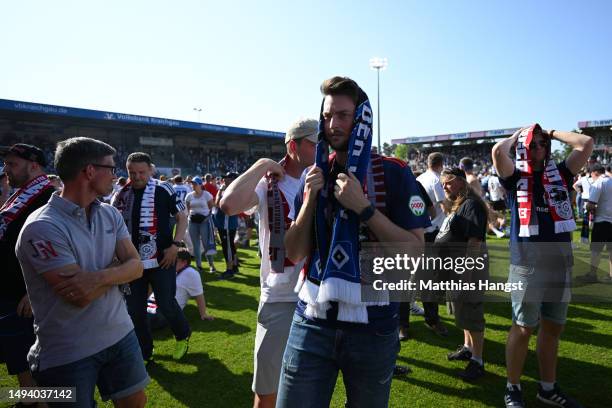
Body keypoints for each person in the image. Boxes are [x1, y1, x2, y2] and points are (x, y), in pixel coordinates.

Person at [277, 76, 429, 407]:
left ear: (361, 119)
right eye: (328, 115)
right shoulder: (314, 173)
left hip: (373, 322)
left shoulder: (394, 172)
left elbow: (416, 252)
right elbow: (293, 251)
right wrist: (309, 202)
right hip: (313, 318)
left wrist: (364, 209)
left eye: (343, 115)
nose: (333, 124)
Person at [15, 137, 148, 407]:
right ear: (89, 171)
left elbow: (137, 266)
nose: (116, 175)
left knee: (136, 403)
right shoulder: (42, 226)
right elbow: (79, 295)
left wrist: (96, 277)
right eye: (111, 168)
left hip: (120, 333)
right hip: (68, 350)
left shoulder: (109, 213)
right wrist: (116, 268)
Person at [492, 124, 593, 408]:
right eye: (531, 145)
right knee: (523, 327)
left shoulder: (560, 173)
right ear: (523, 148)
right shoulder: (515, 177)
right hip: (527, 265)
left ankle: (547, 388)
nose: (538, 150)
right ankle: (513, 387)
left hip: (559, 265)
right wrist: (519, 135)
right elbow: (498, 151)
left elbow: (585, 143)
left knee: (553, 328)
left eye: (541, 145)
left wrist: (550, 133)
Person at [220, 118, 317, 408]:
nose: (320, 148)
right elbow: (228, 204)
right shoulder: (269, 181)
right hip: (281, 296)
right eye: (314, 143)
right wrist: (262, 164)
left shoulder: (322, 176)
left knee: (307, 386)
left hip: (316, 296)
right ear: (293, 145)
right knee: (267, 388)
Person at [112, 152, 191, 362]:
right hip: (132, 263)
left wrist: (175, 245)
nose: (137, 176)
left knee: (166, 303)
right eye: (132, 172)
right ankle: (145, 352)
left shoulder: (163, 188)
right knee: (135, 310)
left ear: (151, 170)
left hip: (162, 259)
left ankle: (182, 335)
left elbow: (182, 219)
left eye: (141, 172)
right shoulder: (121, 194)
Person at [0, 144, 55, 396]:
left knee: (37, 357)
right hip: (9, 288)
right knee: (16, 351)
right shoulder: (20, 194)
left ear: (33, 165)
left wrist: (36, 292)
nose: (6, 169)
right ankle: (31, 400)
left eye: (12, 164)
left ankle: (44, 402)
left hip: (28, 294)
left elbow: (57, 250)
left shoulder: (49, 197)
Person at [436, 167, 489, 381]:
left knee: (472, 312)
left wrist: (466, 275)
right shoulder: (462, 203)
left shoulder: (472, 204)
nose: (444, 187)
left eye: (447, 183)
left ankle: (477, 361)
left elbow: (474, 243)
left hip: (468, 269)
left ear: (459, 181)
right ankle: (468, 347)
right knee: (463, 312)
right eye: (442, 184)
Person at [400, 152, 449, 340]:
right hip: (400, 243)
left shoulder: (416, 184)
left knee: (428, 281)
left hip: (423, 239)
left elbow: (429, 208)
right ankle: (402, 325)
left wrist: (417, 223)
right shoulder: (390, 188)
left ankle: (432, 319)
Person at [148, 247, 213, 328]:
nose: (169, 261)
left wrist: (203, 314)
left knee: (137, 320)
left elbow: (199, 295)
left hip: (163, 312)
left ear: (184, 262)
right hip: (151, 304)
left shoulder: (191, 273)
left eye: (174, 260)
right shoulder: (170, 270)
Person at [580, 164, 611, 283]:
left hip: (602, 221)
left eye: (590, 175)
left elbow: (591, 204)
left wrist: (588, 207)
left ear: (595, 173)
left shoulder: (599, 182)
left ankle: (592, 274)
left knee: (596, 250)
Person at [186, 176, 216, 273]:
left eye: (195, 184)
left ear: (200, 185)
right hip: (193, 221)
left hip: (204, 221)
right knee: (196, 245)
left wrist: (205, 216)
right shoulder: (189, 196)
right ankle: (199, 266)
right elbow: (188, 209)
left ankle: (211, 265)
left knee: (206, 243)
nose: (193, 185)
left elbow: (211, 207)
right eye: (192, 184)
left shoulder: (206, 195)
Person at [214, 172, 240, 279]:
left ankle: (229, 270)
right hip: (226, 222)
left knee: (227, 247)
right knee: (230, 246)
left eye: (227, 178)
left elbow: (217, 203)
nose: (224, 180)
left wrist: (220, 191)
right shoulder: (229, 190)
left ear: (233, 179)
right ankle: (234, 266)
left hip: (227, 223)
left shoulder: (232, 191)